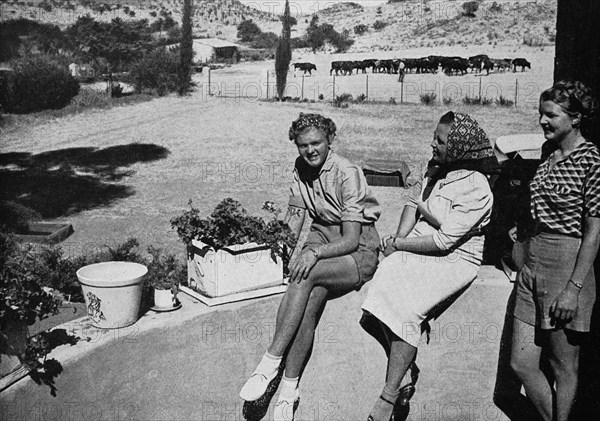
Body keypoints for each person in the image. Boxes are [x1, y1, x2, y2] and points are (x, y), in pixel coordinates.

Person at [239, 113, 382, 421]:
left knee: (308, 271)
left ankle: (269, 361)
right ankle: (289, 391)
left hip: (356, 251)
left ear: (329, 140)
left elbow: (351, 238)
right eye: (303, 145)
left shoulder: (346, 172)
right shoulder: (300, 168)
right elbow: (295, 216)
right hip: (321, 241)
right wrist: (276, 249)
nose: (310, 150)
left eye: (316, 142)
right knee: (310, 299)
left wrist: (314, 253)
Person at [361, 112, 499, 421]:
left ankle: (389, 394)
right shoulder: (436, 170)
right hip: (422, 243)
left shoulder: (477, 188)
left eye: (440, 140)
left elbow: (445, 242)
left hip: (455, 258)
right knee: (379, 293)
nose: (433, 144)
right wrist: (399, 238)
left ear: (460, 145)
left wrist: (399, 246)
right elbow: (413, 204)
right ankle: (407, 370)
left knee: (408, 310)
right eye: (434, 137)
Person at [509, 80, 600, 421]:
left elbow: (593, 232)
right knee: (521, 363)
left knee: (563, 367)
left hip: (566, 267)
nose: (542, 121)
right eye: (540, 115)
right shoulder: (548, 156)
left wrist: (573, 290)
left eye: (551, 115)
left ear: (575, 118)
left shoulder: (592, 160)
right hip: (533, 263)